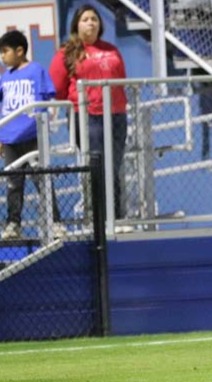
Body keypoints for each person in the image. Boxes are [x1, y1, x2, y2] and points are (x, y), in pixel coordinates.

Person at [49, 4, 129, 222]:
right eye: (85, 19)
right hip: (87, 115)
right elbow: (57, 87)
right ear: (76, 25)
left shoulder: (111, 50)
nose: (91, 23)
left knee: (113, 166)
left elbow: (121, 78)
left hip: (116, 114)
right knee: (98, 165)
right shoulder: (67, 52)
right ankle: (101, 218)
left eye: (94, 19)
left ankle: (115, 217)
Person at [0, 30, 66, 240]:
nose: (2, 57)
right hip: (10, 139)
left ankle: (55, 221)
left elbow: (46, 99)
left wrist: (41, 125)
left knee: (42, 180)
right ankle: (13, 223)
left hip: (33, 136)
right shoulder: (4, 77)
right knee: (13, 183)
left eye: (5, 51)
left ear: (20, 51)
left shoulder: (36, 70)